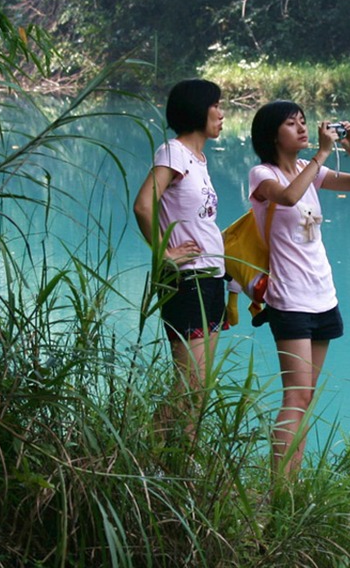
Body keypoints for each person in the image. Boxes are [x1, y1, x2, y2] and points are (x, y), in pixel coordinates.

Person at [248, 101, 350, 479]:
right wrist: (322, 152)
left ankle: (292, 481)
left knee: (306, 398)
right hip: (289, 299)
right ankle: (279, 488)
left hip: (323, 294)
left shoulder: (309, 170)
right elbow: (287, 197)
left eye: (304, 122)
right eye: (292, 124)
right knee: (296, 395)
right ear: (273, 135)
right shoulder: (262, 174)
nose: (303, 129)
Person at [133, 78, 228, 440]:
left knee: (199, 388)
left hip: (210, 279)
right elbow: (144, 204)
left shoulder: (198, 160)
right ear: (197, 110)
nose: (221, 113)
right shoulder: (173, 151)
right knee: (189, 386)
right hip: (186, 282)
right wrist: (164, 252)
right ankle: (145, 453)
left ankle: (182, 468)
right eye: (216, 105)